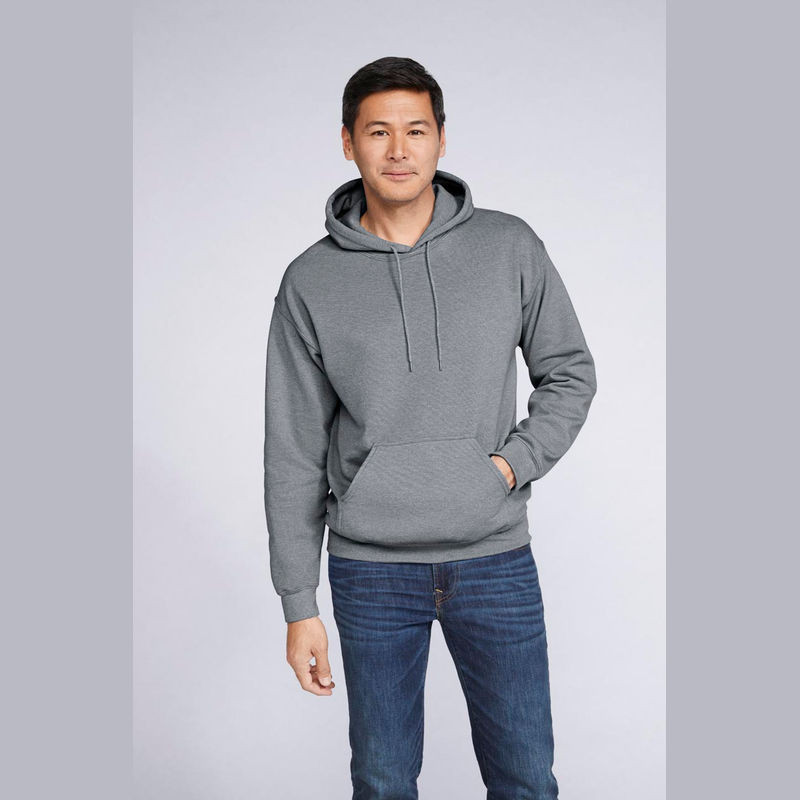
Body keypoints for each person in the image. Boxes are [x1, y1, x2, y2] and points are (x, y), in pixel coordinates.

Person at [263, 56, 597, 800]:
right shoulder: (310, 281)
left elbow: (570, 373)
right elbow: (292, 448)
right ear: (347, 142)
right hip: (370, 572)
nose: (398, 149)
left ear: (442, 139)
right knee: (383, 782)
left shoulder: (509, 246)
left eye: (416, 130)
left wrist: (507, 467)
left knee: (525, 779)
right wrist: (298, 603)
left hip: (494, 560)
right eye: (377, 131)